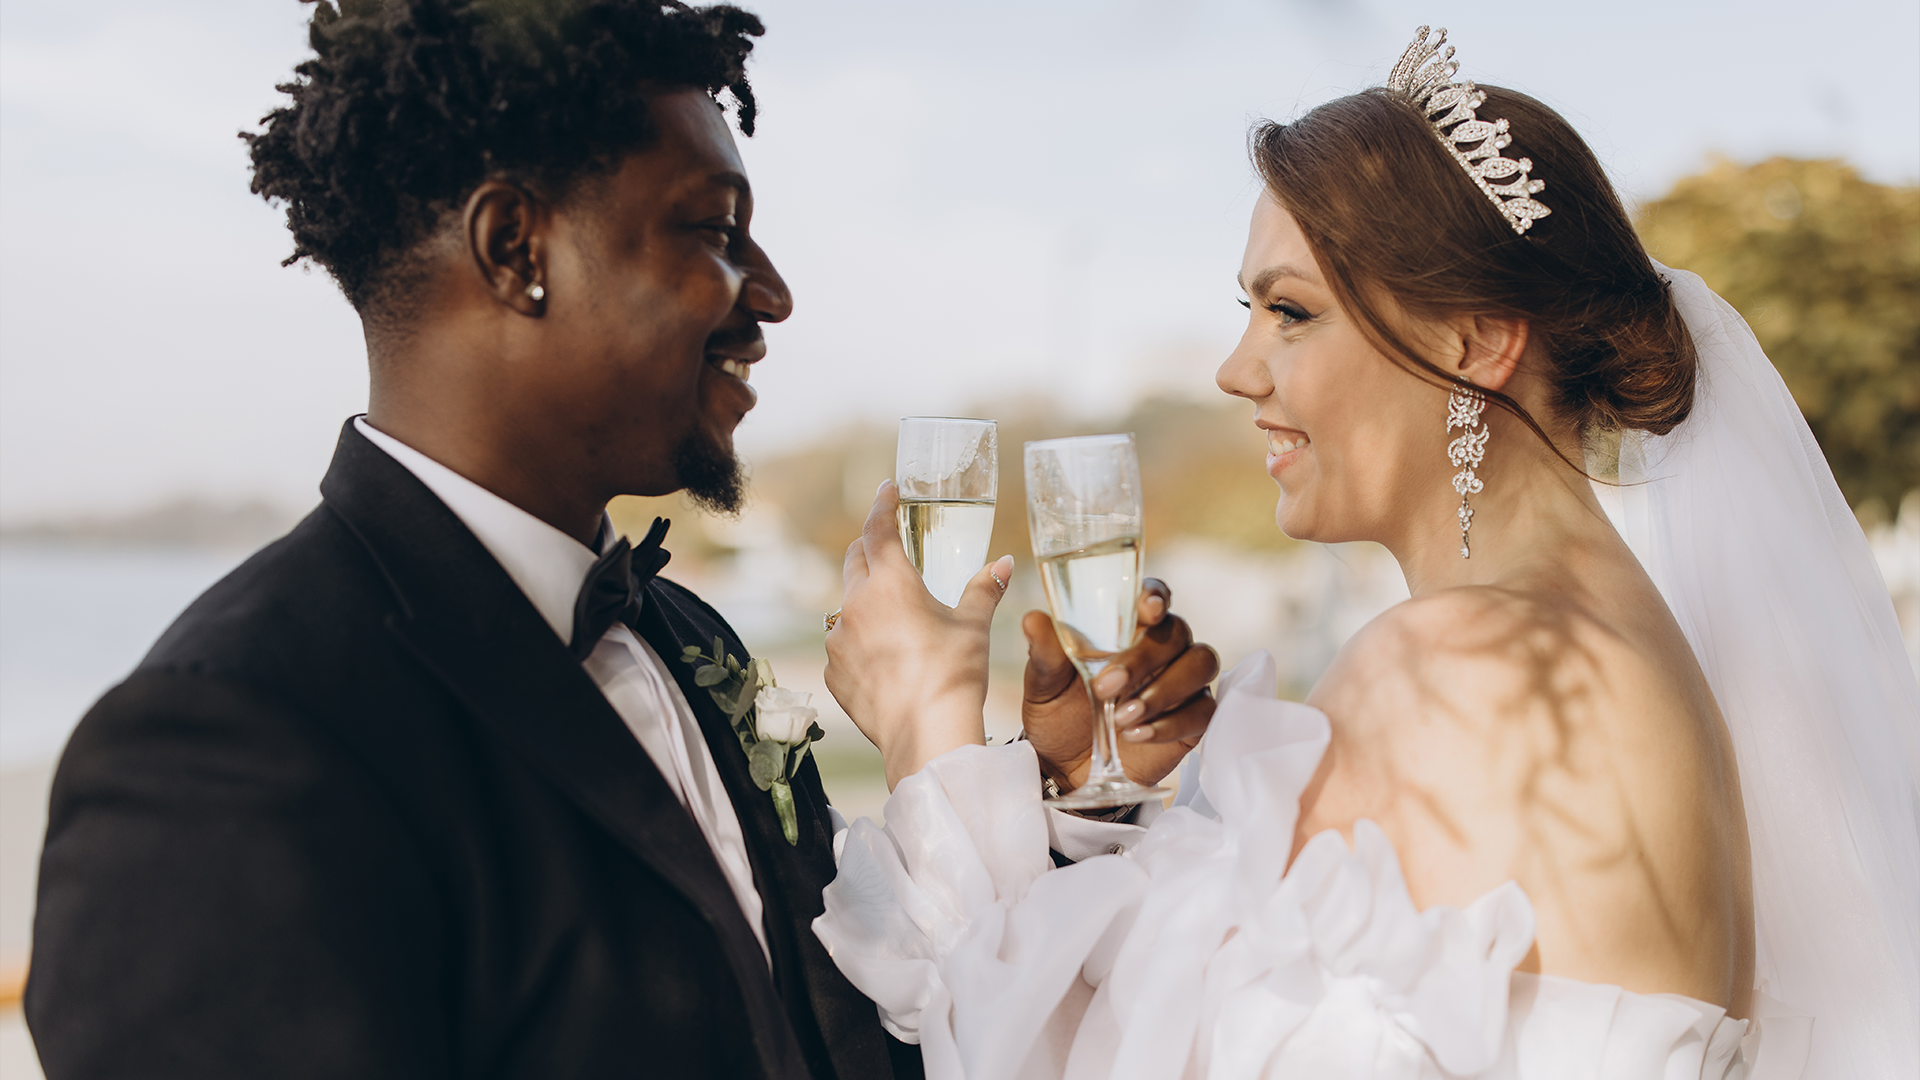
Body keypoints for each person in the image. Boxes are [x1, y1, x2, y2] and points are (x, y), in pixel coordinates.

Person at [23, 3, 1221, 1078]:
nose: (771, 296)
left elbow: (858, 1035)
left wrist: (1055, 800)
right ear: (515, 249)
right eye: (714, 230)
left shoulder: (690, 640)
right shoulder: (232, 745)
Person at [812, 26, 1920, 1079]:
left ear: (1475, 341)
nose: (1236, 370)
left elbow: (1090, 1058)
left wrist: (926, 718)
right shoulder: (1610, 636)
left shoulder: (1461, 662)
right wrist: (1089, 796)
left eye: (1290, 313)